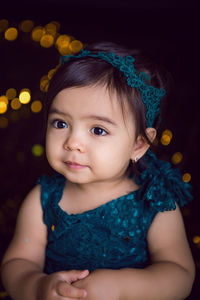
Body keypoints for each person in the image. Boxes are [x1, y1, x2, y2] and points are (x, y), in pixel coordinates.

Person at [1, 41, 195, 300]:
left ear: (138, 144)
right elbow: (17, 262)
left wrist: (120, 287)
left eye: (98, 130)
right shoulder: (43, 199)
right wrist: (36, 286)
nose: (73, 142)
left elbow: (179, 273)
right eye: (60, 123)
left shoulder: (155, 202)